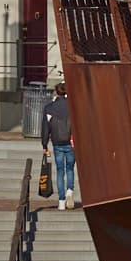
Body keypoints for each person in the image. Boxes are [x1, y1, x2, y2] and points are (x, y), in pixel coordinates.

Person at [40, 82, 76, 211]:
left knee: (60, 171)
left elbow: (45, 128)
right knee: (70, 168)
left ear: (56, 92)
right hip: (71, 142)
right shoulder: (73, 106)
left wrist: (44, 144)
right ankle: (70, 191)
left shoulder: (49, 108)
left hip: (57, 143)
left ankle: (61, 201)